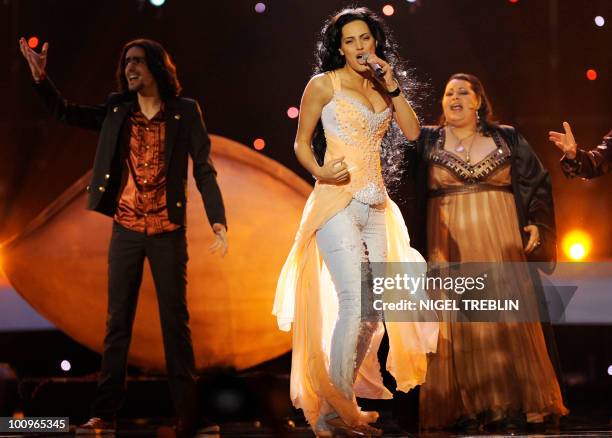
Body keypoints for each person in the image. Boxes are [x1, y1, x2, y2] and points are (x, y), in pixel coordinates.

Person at [19, 37, 227, 437]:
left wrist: (218, 219)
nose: (130, 69)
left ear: (157, 67)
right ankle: (105, 413)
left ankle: (189, 415)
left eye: (137, 62)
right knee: (117, 324)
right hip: (127, 228)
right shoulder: (118, 108)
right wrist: (40, 78)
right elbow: (65, 112)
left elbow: (204, 167)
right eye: (126, 62)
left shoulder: (185, 112)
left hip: (167, 230)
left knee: (175, 323)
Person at [272, 7, 438, 437]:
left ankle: (334, 406)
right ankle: (340, 410)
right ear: (339, 48)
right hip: (336, 201)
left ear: (375, 42)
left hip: (377, 205)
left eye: (365, 38)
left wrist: (393, 84)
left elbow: (414, 132)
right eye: (350, 41)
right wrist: (321, 171)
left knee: (372, 313)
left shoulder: (384, 87)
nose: (360, 47)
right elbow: (301, 142)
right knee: (353, 302)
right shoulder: (323, 84)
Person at [403, 73, 568, 431]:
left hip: (500, 244)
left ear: (479, 100)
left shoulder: (506, 137)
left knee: (504, 322)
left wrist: (537, 224)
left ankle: (509, 405)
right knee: (459, 327)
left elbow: (537, 183)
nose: (455, 97)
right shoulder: (428, 140)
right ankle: (462, 408)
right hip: (449, 247)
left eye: (464, 91)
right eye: (449, 93)